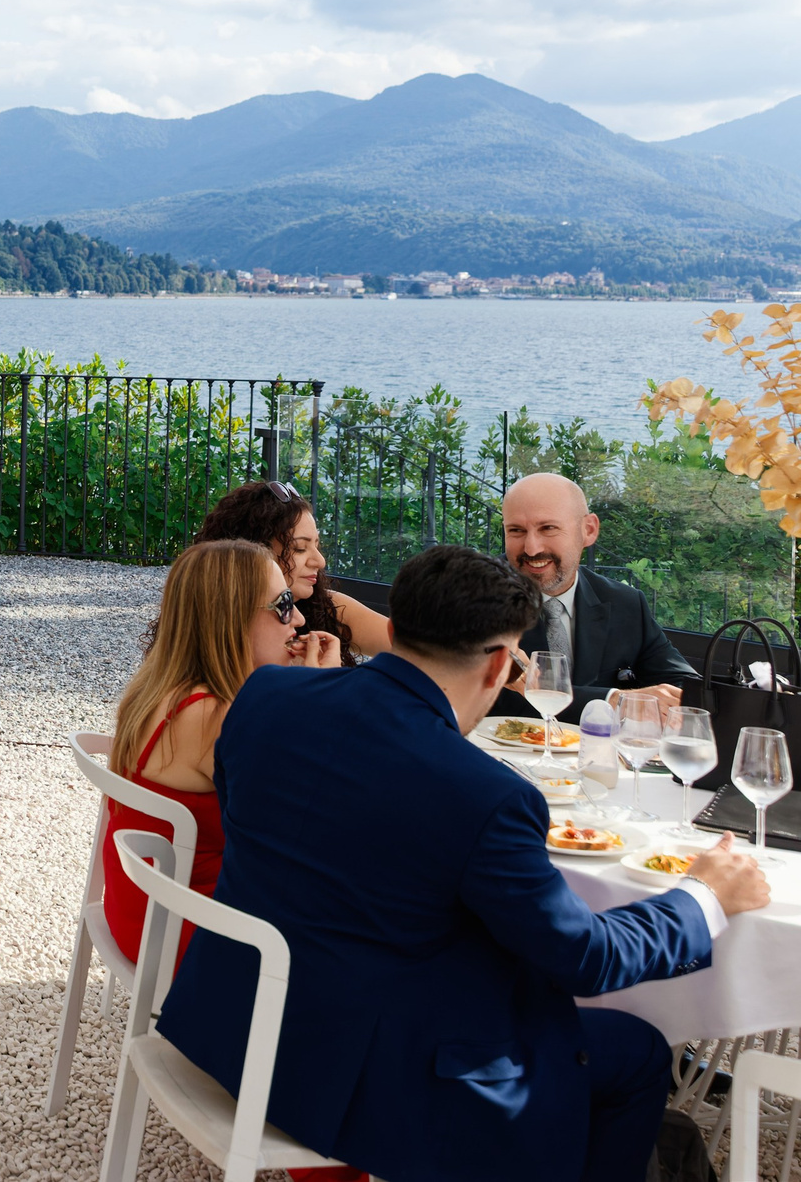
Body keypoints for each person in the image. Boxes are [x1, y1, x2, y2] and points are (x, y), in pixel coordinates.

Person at [157, 544, 767, 1182]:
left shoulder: (265, 698)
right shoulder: (489, 797)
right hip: (360, 1080)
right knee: (637, 1049)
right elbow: (588, 959)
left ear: (391, 632)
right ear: (502, 664)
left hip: (231, 1023)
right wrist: (702, 898)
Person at [103, 538, 340, 966]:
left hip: (143, 910)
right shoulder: (216, 715)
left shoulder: (161, 688)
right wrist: (316, 696)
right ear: (231, 620)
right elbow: (304, 829)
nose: (299, 618)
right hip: (190, 932)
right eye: (283, 604)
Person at [501, 471, 699, 716]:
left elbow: (685, 686)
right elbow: (503, 701)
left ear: (589, 530)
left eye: (548, 528)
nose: (532, 547)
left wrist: (669, 702)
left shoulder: (625, 603)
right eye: (516, 531)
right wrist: (615, 701)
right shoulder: (471, 595)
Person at [196, 480, 386, 659]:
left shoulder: (323, 606)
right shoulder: (210, 627)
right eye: (299, 548)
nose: (320, 561)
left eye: (317, 546)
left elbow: (409, 646)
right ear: (250, 551)